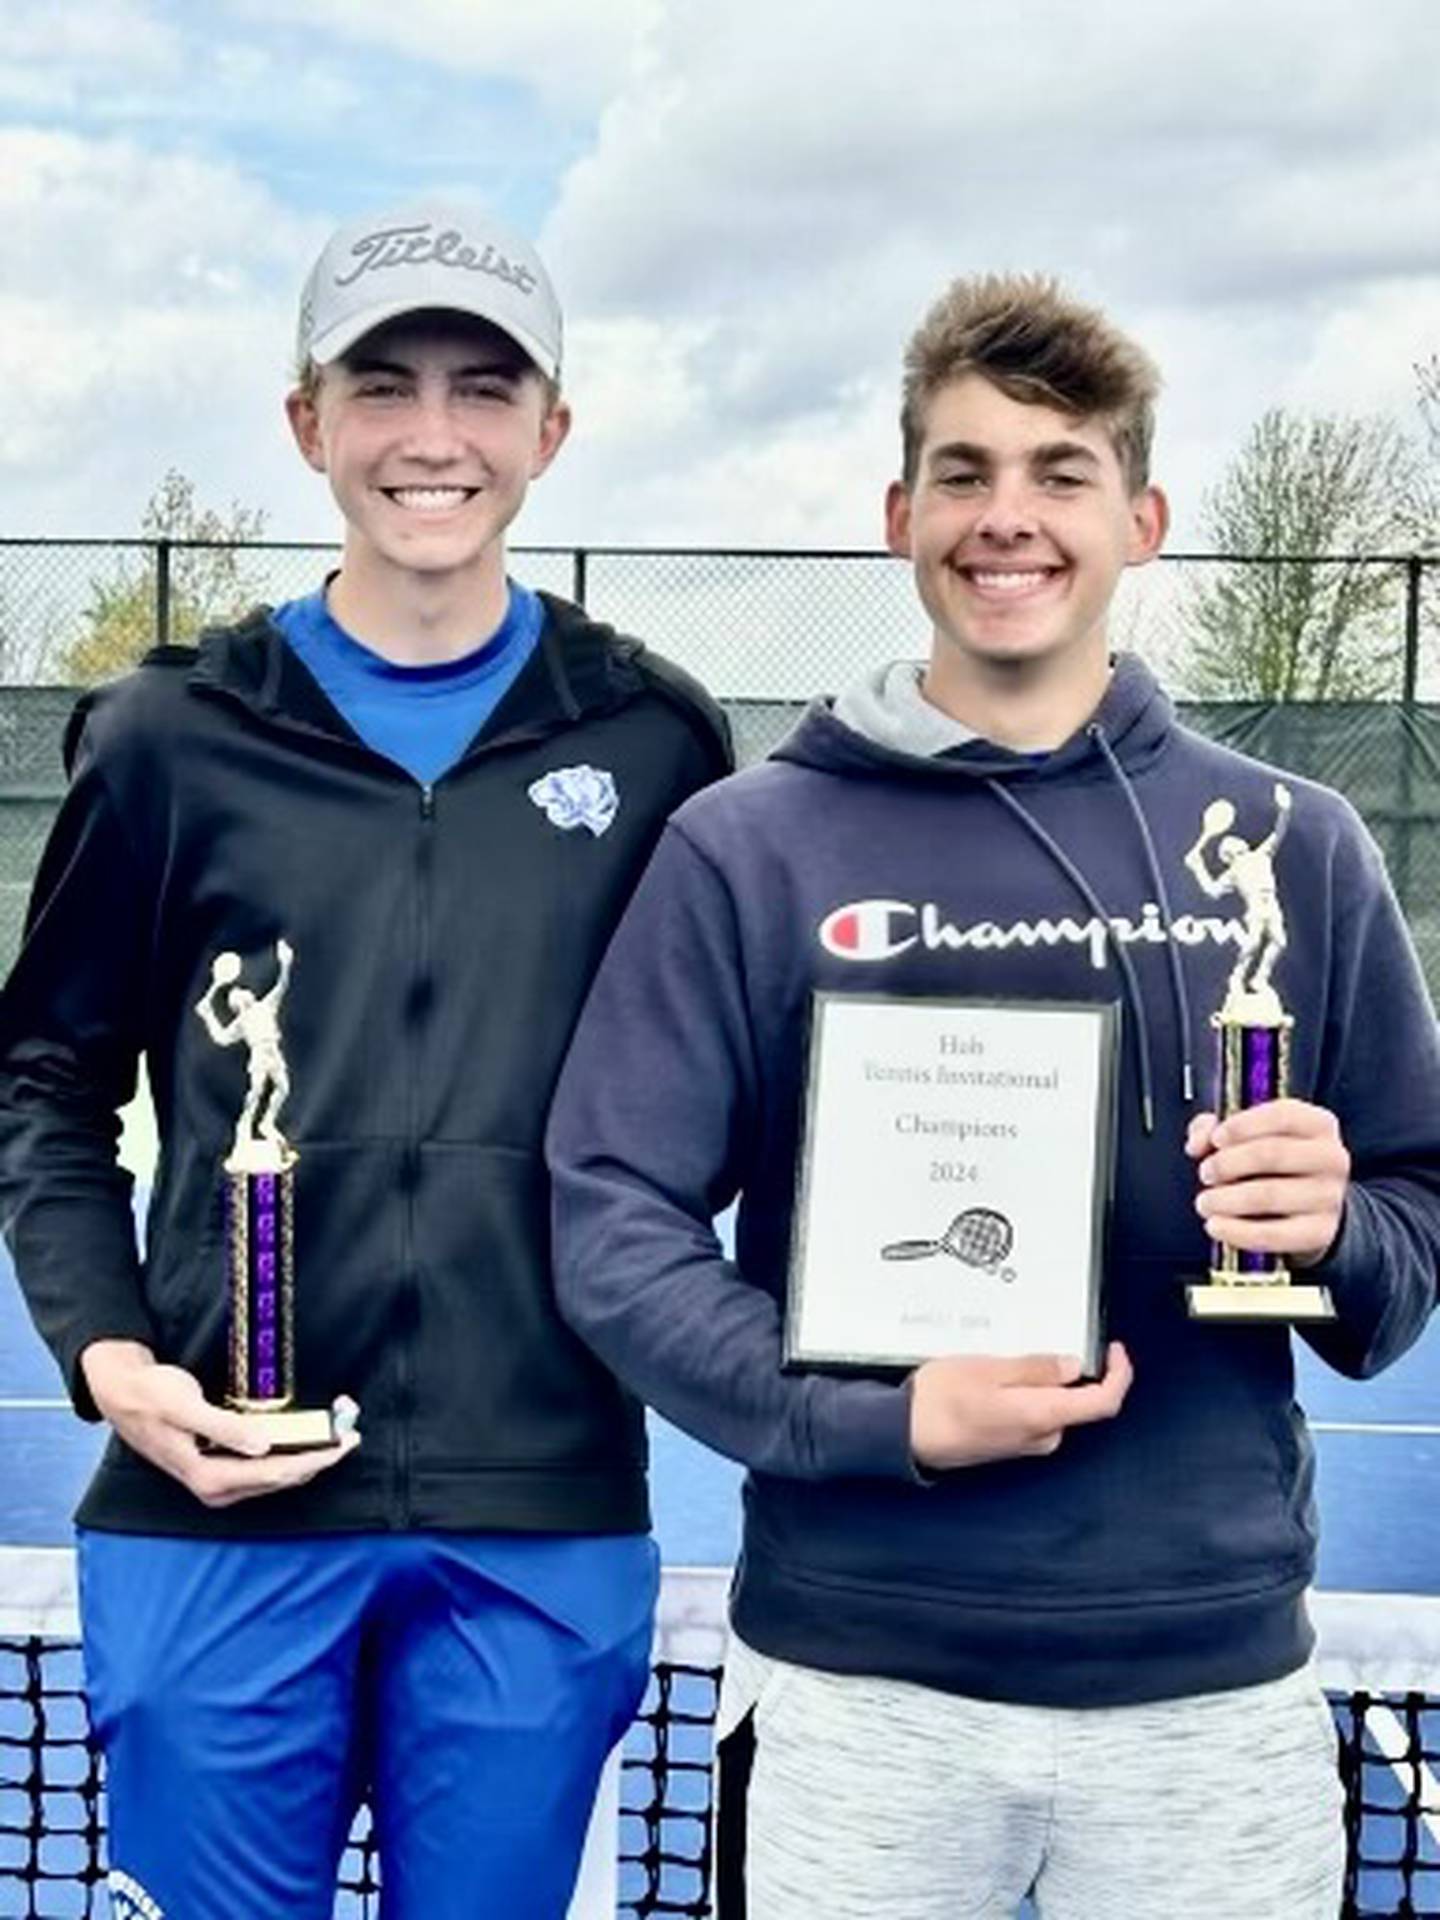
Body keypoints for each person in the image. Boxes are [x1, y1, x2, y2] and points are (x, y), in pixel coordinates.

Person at [546, 274, 1440, 1919]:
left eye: (1060, 473)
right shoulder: (748, 848)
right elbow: (614, 1216)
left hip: (1211, 1705)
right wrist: (875, 1424)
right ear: (900, 513)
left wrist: (1342, 1228)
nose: (1006, 518)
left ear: (1143, 517)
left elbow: (1412, 1221)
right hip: (853, 1691)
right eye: (963, 473)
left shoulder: (1296, 844)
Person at [0, 200, 730, 1920]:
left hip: (539, 1509)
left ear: (551, 430)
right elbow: (43, 1080)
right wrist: (113, 1362)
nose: (431, 434)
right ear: (305, 422)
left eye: (484, 389)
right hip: (214, 1504)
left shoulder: (655, 737)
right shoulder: (170, 736)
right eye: (382, 382)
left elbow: (728, 1097)